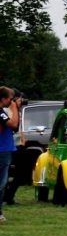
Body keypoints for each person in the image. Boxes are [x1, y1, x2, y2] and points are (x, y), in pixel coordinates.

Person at [0, 87, 19, 224]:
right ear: (4, 99)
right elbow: (13, 124)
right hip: (2, 150)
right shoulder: (0, 112)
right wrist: (14, 107)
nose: (11, 101)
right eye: (10, 99)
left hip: (4, 149)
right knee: (1, 183)